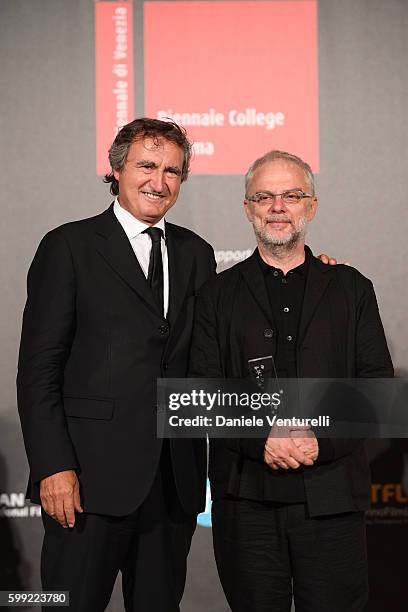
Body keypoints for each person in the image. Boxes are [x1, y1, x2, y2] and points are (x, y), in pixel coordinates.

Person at [17, 118, 216, 611]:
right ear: (116, 168)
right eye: (146, 165)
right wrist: (54, 465)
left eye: (172, 170)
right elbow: (39, 369)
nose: (159, 181)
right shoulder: (69, 246)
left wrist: (304, 271)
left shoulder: (197, 253)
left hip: (172, 484)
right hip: (86, 483)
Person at [189, 150, 393, 611]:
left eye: (292, 195)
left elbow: (378, 389)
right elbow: (199, 392)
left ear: (312, 206)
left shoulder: (352, 288)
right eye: (265, 196)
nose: (278, 206)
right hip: (246, 500)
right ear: (248, 208)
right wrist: (261, 437)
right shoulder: (216, 295)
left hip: (333, 496)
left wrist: (322, 441)